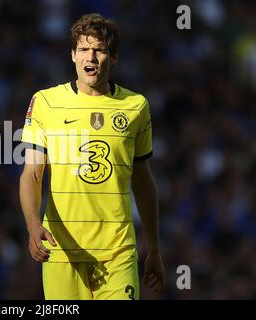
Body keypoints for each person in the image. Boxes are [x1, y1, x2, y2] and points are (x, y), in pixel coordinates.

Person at [19, 13, 165, 300]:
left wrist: (155, 249)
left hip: (117, 252)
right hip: (62, 250)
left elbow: (143, 181)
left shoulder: (136, 107)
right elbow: (32, 174)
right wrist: (33, 225)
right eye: (84, 49)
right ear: (73, 55)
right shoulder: (45, 102)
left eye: (99, 50)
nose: (92, 57)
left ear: (113, 57)